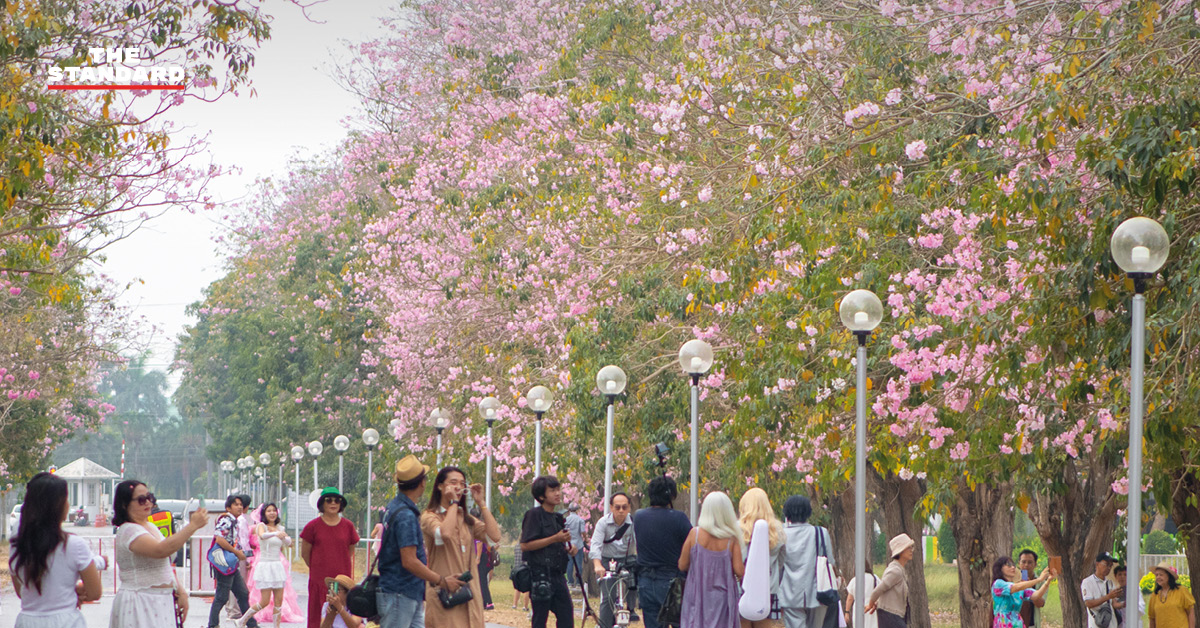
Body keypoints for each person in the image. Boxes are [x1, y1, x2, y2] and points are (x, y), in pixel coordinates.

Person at [378, 455, 463, 628]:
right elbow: (409, 560)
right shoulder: (406, 516)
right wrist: (442, 580)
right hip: (400, 592)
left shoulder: (394, 507)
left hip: (406, 591)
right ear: (422, 483)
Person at [8, 472, 102, 628]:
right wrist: (72, 592)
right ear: (59, 506)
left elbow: (21, 592)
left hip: (27, 621)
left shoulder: (17, 546)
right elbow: (94, 592)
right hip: (66, 621)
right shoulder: (74, 544)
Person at [110, 479, 207, 628]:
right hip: (140, 601)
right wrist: (192, 526)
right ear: (124, 504)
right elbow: (161, 550)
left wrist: (180, 590)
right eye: (141, 500)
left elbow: (165, 564)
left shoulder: (149, 526)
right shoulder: (128, 530)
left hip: (161, 602)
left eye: (150, 498)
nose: (148, 503)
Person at [420, 466, 502, 627]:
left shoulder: (466, 519)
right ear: (440, 486)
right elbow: (445, 533)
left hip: (470, 596)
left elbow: (494, 536)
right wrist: (454, 503)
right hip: (445, 596)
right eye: (453, 482)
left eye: (462, 483)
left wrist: (481, 503)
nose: (458, 487)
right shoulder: (429, 516)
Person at [633, 475, 692, 628]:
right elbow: (692, 543)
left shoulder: (639, 516)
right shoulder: (679, 518)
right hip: (672, 581)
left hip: (645, 580)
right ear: (671, 495)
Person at [679, 491, 744, 628]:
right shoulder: (732, 540)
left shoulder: (694, 534)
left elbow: (682, 565)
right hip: (722, 598)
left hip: (696, 595)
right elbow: (739, 571)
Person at [520, 475, 577, 628]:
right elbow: (525, 545)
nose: (557, 493)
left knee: (566, 617)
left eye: (558, 489)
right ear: (541, 496)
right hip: (540, 575)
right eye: (552, 490)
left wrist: (568, 549)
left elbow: (555, 545)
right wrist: (555, 538)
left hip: (558, 575)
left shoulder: (558, 518)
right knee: (540, 620)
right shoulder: (534, 515)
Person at [301, 487, 360, 628]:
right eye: (329, 500)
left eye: (337, 500)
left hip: (342, 581)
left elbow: (350, 550)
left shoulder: (348, 526)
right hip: (320, 580)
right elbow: (305, 553)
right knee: (318, 617)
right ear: (322, 504)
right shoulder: (312, 526)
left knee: (343, 613)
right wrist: (318, 568)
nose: (333, 503)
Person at [778, 495, 833, 628]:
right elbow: (830, 562)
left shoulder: (781, 535)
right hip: (818, 592)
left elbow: (778, 565)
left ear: (787, 513)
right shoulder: (821, 533)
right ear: (808, 512)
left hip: (789, 593)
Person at [238, 503, 293, 628]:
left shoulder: (280, 528)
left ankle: (276, 626)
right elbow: (262, 536)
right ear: (264, 513)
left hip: (277, 566)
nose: (272, 513)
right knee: (265, 601)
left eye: (274, 510)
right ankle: (242, 620)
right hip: (265, 565)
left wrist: (285, 537)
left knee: (279, 601)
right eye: (269, 511)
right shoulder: (261, 526)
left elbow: (288, 543)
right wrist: (275, 534)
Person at [208, 494, 259, 628]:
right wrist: (236, 552)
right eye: (236, 504)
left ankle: (251, 624)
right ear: (228, 507)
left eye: (241, 505)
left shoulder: (234, 521)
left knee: (242, 593)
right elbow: (220, 539)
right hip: (225, 563)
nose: (240, 507)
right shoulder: (227, 520)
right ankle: (212, 625)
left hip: (231, 563)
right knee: (222, 596)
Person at [591, 492, 638, 628]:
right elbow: (596, 545)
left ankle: (631, 609)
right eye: (617, 507)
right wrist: (597, 564)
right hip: (607, 560)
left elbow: (640, 542)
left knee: (634, 582)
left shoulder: (633, 523)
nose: (621, 511)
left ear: (629, 508)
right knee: (608, 596)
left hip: (627, 559)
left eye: (624, 507)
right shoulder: (603, 523)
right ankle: (604, 625)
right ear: (611, 507)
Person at [739, 487, 784, 628]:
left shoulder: (736, 529)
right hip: (768, 589)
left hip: (741, 589)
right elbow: (781, 562)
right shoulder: (778, 530)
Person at [865, 533, 916, 628]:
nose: (911, 550)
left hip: (894, 615)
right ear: (900, 551)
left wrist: (877, 603)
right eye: (908, 548)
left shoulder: (900, 569)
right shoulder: (895, 570)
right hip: (890, 616)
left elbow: (887, 591)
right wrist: (871, 604)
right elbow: (878, 589)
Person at [991, 556, 1053, 628]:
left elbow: (1037, 595)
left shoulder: (1019, 587)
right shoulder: (998, 584)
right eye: (1008, 565)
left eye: (1013, 565)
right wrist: (1038, 580)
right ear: (1000, 568)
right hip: (1003, 624)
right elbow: (1014, 587)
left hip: (1018, 623)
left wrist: (1048, 580)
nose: (1013, 567)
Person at [1147, 563, 1195, 628]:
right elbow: (1152, 618)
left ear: (1169, 576)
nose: (1158, 577)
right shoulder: (1155, 595)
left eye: (1161, 575)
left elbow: (1190, 611)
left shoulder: (1181, 591)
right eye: (1156, 575)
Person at [1083, 553, 1122, 628]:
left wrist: (1123, 604)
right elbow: (1089, 603)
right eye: (1106, 564)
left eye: (1111, 566)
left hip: (1111, 624)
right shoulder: (1088, 582)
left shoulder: (1110, 583)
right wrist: (1108, 597)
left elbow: (1114, 604)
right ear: (1097, 564)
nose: (1109, 568)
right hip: (1096, 624)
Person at [845, 559, 879, 628]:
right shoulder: (874, 578)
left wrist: (847, 612)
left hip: (858, 608)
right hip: (872, 607)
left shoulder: (855, 579)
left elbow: (850, 598)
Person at [1017, 550, 1046, 628]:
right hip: (1013, 624)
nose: (1026, 565)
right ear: (1019, 563)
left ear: (1035, 564)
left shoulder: (1041, 582)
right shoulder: (1012, 580)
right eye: (1023, 562)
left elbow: (1040, 604)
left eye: (1030, 562)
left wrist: (1029, 588)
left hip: (1031, 625)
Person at [564, 503, 587, 587]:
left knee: (569, 563)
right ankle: (578, 582)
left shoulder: (566, 520)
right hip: (578, 545)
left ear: (569, 510)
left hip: (568, 544)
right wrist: (586, 538)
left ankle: (570, 581)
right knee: (578, 564)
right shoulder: (580, 520)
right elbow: (582, 531)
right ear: (577, 510)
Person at [511, 542, 531, 612]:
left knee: (517, 588)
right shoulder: (527, 546)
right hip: (524, 569)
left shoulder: (516, 546)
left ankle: (514, 604)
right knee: (527, 588)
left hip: (516, 569)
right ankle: (525, 606)